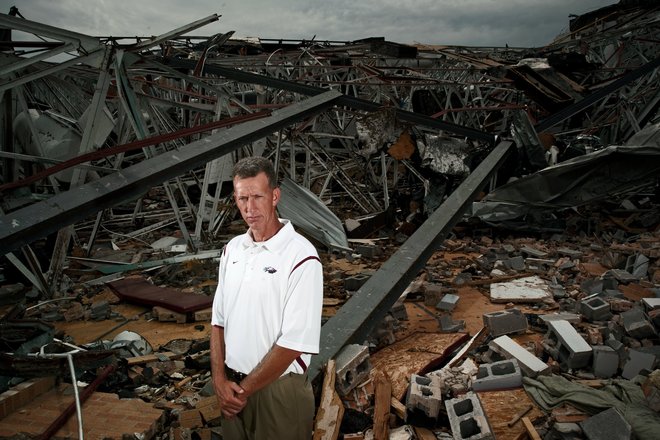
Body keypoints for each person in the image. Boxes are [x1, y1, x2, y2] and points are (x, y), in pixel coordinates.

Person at [210, 156, 323, 439]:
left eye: (257, 197)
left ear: (275, 196)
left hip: (278, 392)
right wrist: (220, 382)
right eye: (242, 198)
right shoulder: (232, 250)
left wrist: (242, 390)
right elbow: (218, 323)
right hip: (232, 391)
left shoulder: (301, 256)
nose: (250, 208)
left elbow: (292, 344)